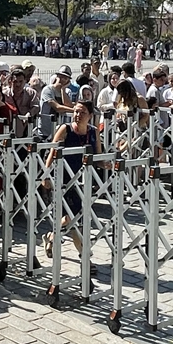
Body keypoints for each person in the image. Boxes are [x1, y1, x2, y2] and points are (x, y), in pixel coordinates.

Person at [41, 100, 103, 258]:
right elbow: (52, 152)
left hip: (84, 181)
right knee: (74, 217)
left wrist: (107, 163)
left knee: (73, 218)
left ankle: (52, 237)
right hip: (64, 179)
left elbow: (98, 156)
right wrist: (46, 174)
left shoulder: (93, 131)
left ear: (90, 115)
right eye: (76, 111)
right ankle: (85, 255)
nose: (78, 115)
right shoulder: (66, 128)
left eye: (82, 112)